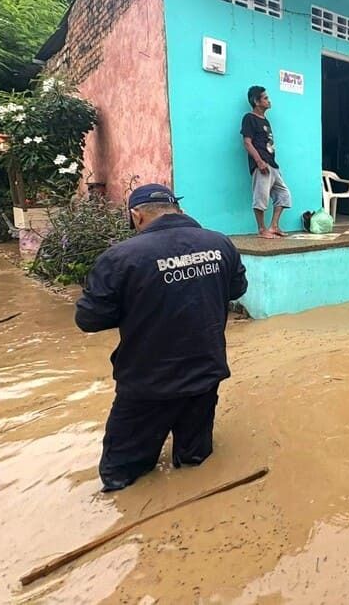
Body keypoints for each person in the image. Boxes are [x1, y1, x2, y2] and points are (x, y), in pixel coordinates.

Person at [75, 183, 248, 492]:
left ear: (136, 215)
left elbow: (88, 319)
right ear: (177, 209)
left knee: (122, 476)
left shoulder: (121, 257)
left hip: (147, 383)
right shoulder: (220, 244)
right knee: (196, 461)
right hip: (205, 375)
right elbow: (236, 290)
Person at [241, 85, 291, 239]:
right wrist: (259, 161)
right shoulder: (249, 118)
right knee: (261, 197)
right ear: (256, 101)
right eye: (265, 98)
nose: (269, 101)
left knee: (284, 195)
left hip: (272, 164)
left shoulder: (266, 121)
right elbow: (247, 143)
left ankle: (274, 226)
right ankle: (262, 229)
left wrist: (271, 163)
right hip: (261, 164)